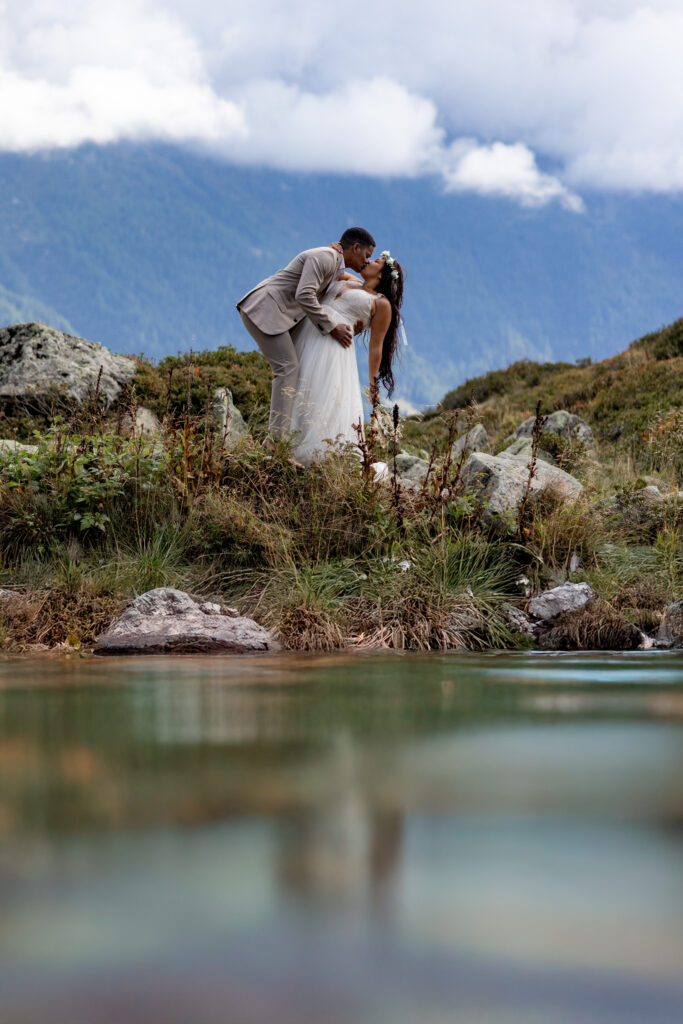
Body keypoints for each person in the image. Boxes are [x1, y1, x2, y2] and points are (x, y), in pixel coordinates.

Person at [236, 228, 375, 438]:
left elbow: (341, 280)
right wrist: (332, 327)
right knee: (288, 368)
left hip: (278, 313)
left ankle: (277, 439)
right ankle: (276, 442)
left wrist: (366, 291)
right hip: (265, 309)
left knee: (290, 369)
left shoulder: (333, 260)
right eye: (366, 255)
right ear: (355, 247)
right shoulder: (326, 257)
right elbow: (304, 294)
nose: (366, 262)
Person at [289, 251, 405, 466]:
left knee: (319, 392)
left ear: (382, 275)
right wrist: (336, 249)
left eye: (376, 261)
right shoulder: (351, 280)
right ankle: (287, 444)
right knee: (296, 385)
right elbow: (333, 268)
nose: (369, 261)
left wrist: (373, 386)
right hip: (309, 334)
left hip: (333, 349)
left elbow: (376, 347)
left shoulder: (381, 304)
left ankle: (315, 455)